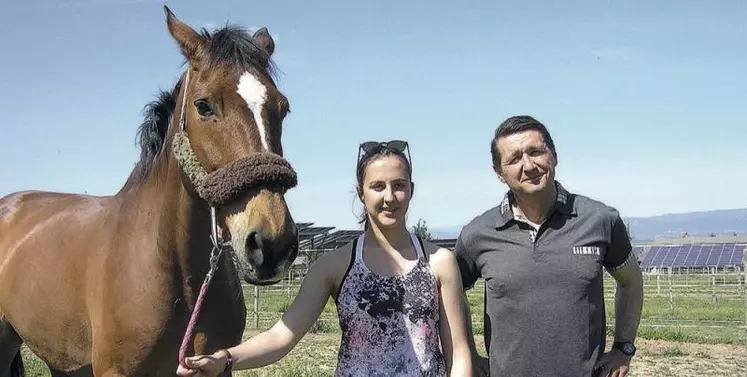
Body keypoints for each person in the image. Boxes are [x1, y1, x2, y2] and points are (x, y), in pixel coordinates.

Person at [176, 140, 473, 377]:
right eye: (377, 186)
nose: (389, 197)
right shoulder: (335, 266)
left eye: (399, 185)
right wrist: (225, 359)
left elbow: (458, 353)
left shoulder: (438, 262)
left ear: (411, 190)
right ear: (361, 193)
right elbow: (281, 337)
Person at [454, 115, 644, 377]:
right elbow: (451, 293)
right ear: (499, 173)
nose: (529, 165)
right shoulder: (477, 234)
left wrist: (624, 347)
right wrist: (468, 355)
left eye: (536, 152)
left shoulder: (600, 220)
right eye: (514, 159)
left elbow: (631, 281)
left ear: (553, 156)